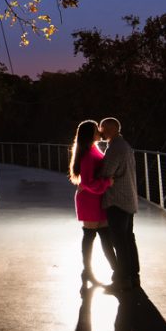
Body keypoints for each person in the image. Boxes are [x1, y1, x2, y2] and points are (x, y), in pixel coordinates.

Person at [68, 119, 118, 292]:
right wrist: (107, 183)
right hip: (89, 200)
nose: (100, 132)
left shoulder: (93, 149)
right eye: (97, 130)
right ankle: (88, 271)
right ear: (91, 134)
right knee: (90, 236)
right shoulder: (88, 154)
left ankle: (116, 270)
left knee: (105, 235)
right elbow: (88, 182)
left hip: (97, 199)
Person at [97, 117, 140, 292]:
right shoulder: (126, 146)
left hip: (117, 201)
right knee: (128, 238)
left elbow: (107, 172)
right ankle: (133, 276)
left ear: (112, 129)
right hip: (128, 199)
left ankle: (123, 279)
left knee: (119, 241)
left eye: (104, 129)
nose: (101, 132)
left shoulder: (115, 148)